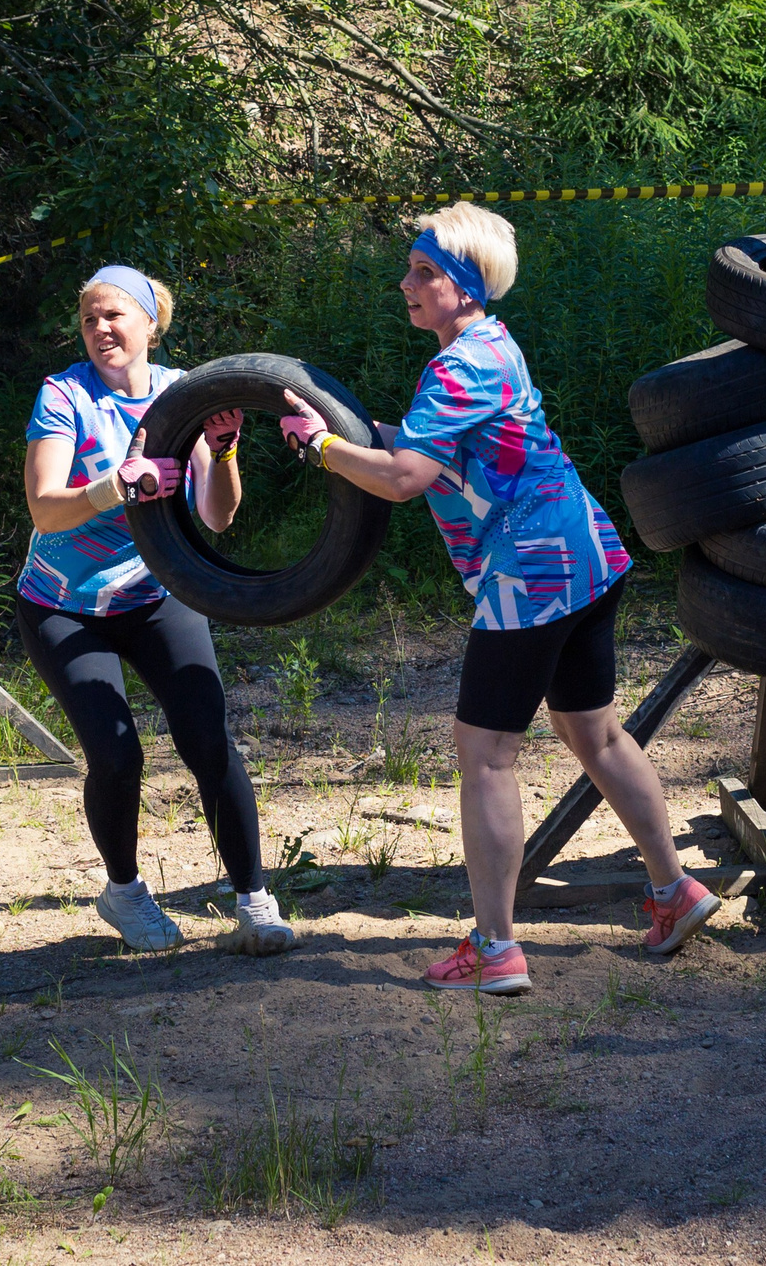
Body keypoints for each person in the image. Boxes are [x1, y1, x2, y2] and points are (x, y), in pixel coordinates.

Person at [276, 202, 720, 994]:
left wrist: (326, 448)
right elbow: (426, 444)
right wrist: (351, 435)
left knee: (484, 754)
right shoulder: (487, 347)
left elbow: (407, 479)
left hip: (531, 576)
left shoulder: (457, 365)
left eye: (425, 273)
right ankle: (674, 891)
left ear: (468, 287)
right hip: (586, 555)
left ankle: (496, 947)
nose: (406, 282)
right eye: (411, 267)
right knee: (596, 732)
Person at [16, 264, 294, 957]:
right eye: (89, 319)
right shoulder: (63, 395)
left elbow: (217, 516)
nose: (101, 329)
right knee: (115, 756)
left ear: (151, 321)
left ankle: (254, 898)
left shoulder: (183, 394)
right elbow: (45, 507)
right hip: (64, 603)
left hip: (155, 594)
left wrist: (223, 450)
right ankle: (126, 893)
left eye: (115, 315)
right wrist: (115, 486)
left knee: (208, 741)